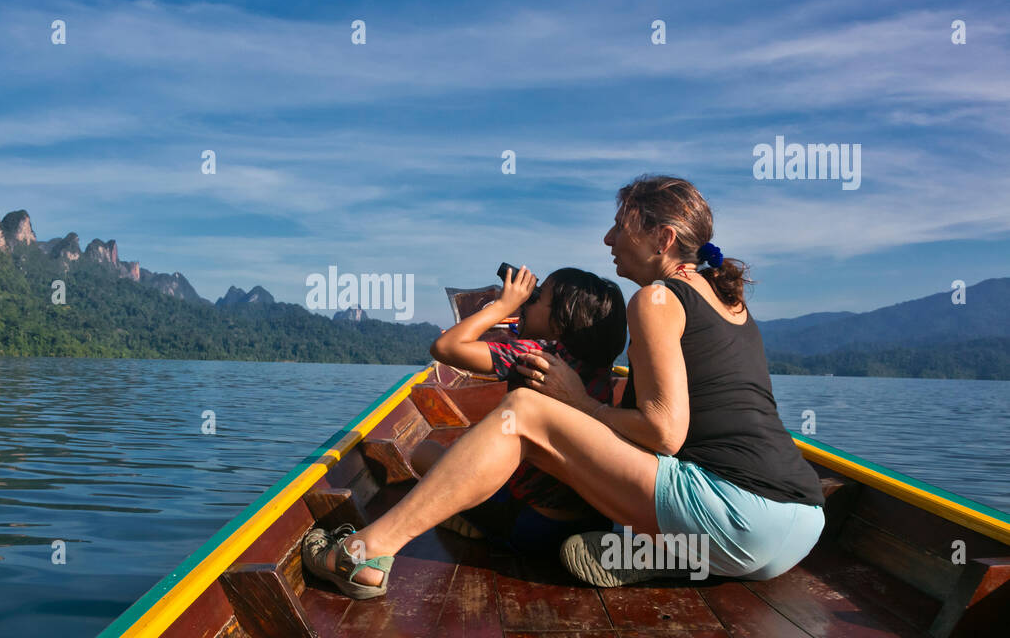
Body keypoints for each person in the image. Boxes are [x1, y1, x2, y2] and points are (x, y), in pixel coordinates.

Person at [302, 174, 826, 599]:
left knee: (525, 412)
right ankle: (653, 554)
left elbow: (665, 432)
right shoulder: (730, 301)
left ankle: (359, 553)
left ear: (663, 238)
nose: (607, 240)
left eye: (620, 227)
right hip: (799, 528)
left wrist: (575, 400)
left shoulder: (657, 300)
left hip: (736, 518)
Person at [411, 266, 626, 559]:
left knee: (424, 451)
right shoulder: (599, 366)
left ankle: (464, 519)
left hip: (531, 527)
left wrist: (504, 305)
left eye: (536, 299)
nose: (526, 302)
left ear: (560, 324)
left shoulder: (535, 356)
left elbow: (446, 346)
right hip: (594, 523)